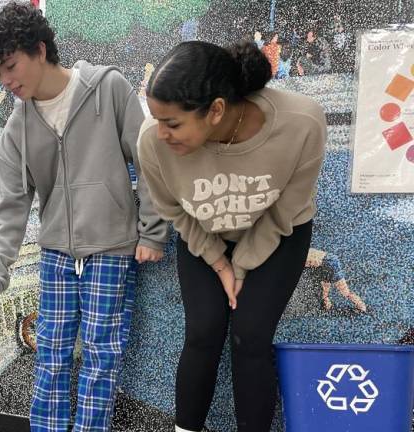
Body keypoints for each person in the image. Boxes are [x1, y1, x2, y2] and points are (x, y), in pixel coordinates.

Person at [0, 3, 167, 432]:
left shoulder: (109, 87)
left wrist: (152, 231)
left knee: (100, 359)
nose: (5, 82)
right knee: (50, 358)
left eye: (10, 66)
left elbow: (150, 161)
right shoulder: (16, 127)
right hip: (57, 253)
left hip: (112, 249)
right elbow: (11, 208)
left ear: (40, 50)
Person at [137, 40, 326, 432]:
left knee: (250, 335)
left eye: (172, 123)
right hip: (205, 232)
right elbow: (174, 210)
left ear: (216, 110)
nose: (161, 134)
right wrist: (219, 261)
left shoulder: (302, 123)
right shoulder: (152, 143)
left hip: (279, 231)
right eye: (157, 120)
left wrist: (241, 264)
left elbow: (283, 212)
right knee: (203, 331)